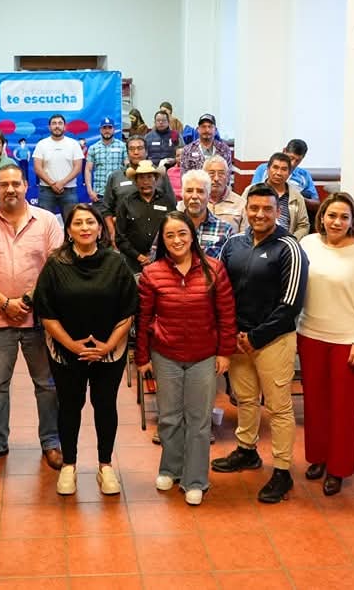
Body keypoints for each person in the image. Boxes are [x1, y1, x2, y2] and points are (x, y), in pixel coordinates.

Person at [211, 184, 309, 504]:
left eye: (267, 209)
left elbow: (291, 304)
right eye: (254, 208)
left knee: (278, 407)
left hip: (273, 341)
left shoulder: (289, 247)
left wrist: (255, 337)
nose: (260, 214)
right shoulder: (233, 244)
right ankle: (246, 451)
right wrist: (232, 333)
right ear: (246, 209)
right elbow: (221, 291)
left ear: (278, 211)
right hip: (239, 340)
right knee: (245, 400)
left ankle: (282, 470)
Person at [34, 204, 138, 496]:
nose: (84, 227)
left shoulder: (116, 262)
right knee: (69, 406)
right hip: (66, 352)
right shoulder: (55, 264)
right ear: (68, 230)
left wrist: (107, 346)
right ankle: (69, 465)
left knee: (105, 406)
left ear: (100, 228)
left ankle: (105, 466)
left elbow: (128, 310)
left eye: (90, 222)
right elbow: (46, 312)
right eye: (78, 223)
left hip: (109, 351)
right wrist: (72, 345)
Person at [0, 165, 64, 472]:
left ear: (26, 186)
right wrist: (4, 302)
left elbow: (55, 266)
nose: (10, 189)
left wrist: (27, 301)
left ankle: (51, 441)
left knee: (46, 384)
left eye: (15, 184)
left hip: (39, 320)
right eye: (4, 184)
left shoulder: (47, 221)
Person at [136, 211, 237, 505]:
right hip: (165, 355)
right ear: (162, 241)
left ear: (192, 236)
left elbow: (227, 315)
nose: (177, 240)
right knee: (169, 418)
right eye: (170, 235)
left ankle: (195, 479)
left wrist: (225, 352)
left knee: (199, 420)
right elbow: (143, 319)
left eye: (182, 233)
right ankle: (171, 468)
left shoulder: (214, 269)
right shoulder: (152, 273)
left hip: (204, 356)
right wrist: (142, 357)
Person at [297, 192, 354, 496]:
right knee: (315, 404)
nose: (336, 222)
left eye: (344, 217)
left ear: (352, 220)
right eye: (331, 215)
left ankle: (338, 468)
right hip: (311, 335)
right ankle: (318, 457)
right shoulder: (308, 244)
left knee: (343, 409)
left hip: (350, 341)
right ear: (321, 217)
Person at [102, 136, 177, 246]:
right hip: (124, 239)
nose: (136, 152)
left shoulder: (159, 176)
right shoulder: (115, 177)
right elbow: (106, 209)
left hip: (158, 240)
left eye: (140, 148)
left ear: (146, 151)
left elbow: (171, 205)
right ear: (127, 152)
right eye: (132, 149)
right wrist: (113, 234)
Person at [115, 160, 176, 273]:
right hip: (132, 263)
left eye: (149, 177)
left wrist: (155, 255)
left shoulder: (167, 201)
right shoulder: (126, 203)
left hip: (162, 260)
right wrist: (139, 256)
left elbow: (174, 231)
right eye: (141, 178)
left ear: (156, 179)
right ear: (135, 181)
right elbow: (120, 238)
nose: (146, 181)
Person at [244, 152, 310, 240]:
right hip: (253, 239)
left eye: (284, 169)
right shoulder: (251, 191)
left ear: (289, 173)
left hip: (285, 241)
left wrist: (291, 240)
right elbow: (242, 216)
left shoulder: (296, 197)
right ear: (268, 169)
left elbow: (303, 225)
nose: (279, 173)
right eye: (275, 167)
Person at [175, 170, 234, 259]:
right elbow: (156, 258)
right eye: (189, 191)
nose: (194, 196)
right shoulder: (170, 227)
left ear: (209, 196)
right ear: (182, 195)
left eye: (200, 191)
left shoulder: (225, 230)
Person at [33, 114, 83, 218]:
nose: (57, 126)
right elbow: (37, 168)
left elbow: (78, 168)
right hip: (46, 190)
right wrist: (52, 184)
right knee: (45, 223)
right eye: (54, 123)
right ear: (49, 127)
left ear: (65, 126)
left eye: (60, 123)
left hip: (69, 190)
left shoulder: (74, 144)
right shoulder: (41, 144)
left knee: (71, 223)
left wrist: (62, 183)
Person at [251, 139, 319, 207]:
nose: (292, 164)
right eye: (291, 158)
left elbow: (316, 204)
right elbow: (252, 194)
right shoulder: (263, 169)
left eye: (297, 161)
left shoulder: (304, 175)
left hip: (293, 210)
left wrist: (298, 198)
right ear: (284, 151)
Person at [85, 117, 127, 208]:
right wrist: (90, 191)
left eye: (109, 127)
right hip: (99, 195)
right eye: (104, 128)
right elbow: (88, 170)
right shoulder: (93, 148)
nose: (107, 130)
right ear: (100, 130)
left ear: (114, 129)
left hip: (118, 193)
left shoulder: (123, 146)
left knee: (119, 217)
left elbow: (128, 167)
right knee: (99, 217)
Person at [203, 155, 245, 232]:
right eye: (211, 173)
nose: (216, 178)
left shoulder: (241, 204)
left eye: (221, 174)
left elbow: (245, 236)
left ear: (227, 176)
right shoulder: (196, 201)